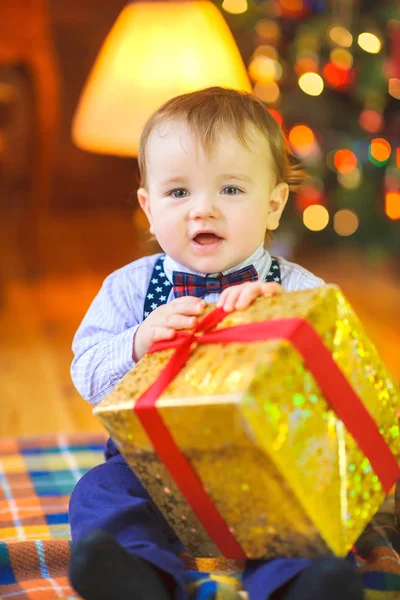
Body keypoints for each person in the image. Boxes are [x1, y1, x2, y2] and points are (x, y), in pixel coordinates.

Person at [68, 87, 364, 600]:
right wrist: (138, 340)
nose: (202, 210)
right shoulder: (130, 288)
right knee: (99, 491)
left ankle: (300, 583)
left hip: (266, 469)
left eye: (230, 190)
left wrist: (287, 325)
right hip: (153, 464)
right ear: (149, 207)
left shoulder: (299, 289)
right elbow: (88, 376)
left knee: (307, 512)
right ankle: (137, 575)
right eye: (178, 193)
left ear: (273, 205)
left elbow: (346, 390)